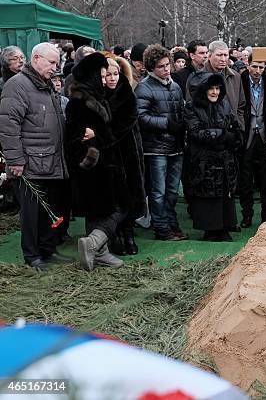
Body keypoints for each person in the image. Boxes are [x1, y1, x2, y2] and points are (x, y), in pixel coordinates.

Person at [0, 42, 70, 270]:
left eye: (57, 63)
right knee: (31, 213)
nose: (55, 68)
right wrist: (16, 160)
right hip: (29, 163)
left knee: (49, 209)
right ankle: (32, 256)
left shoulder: (46, 84)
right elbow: (8, 126)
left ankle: (47, 249)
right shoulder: (17, 85)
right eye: (52, 62)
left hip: (50, 159)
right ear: (36, 58)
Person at [64, 52, 133, 270]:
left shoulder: (92, 97)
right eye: (102, 76)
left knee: (100, 210)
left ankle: (98, 251)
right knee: (119, 207)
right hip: (95, 166)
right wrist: (93, 143)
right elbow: (79, 136)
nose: (105, 81)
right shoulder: (81, 102)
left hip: (101, 164)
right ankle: (95, 243)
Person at [135, 44, 188, 241]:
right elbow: (140, 117)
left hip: (175, 146)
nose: (166, 69)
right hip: (156, 148)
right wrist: (166, 124)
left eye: (168, 65)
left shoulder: (174, 86)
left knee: (173, 191)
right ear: (151, 68)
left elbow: (181, 112)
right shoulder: (144, 87)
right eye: (161, 66)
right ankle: (161, 227)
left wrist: (184, 123)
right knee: (158, 192)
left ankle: (171, 223)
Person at [184, 73, 242, 241]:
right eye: (211, 88)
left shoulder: (224, 104)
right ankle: (210, 229)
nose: (215, 92)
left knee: (225, 193)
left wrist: (229, 137)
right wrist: (222, 134)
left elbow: (234, 127)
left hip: (224, 158)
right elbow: (195, 132)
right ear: (204, 90)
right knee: (207, 195)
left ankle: (225, 226)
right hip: (203, 160)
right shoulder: (191, 106)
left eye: (217, 88)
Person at [104, 55, 147, 255]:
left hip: (129, 152)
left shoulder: (128, 95)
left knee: (130, 193)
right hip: (110, 155)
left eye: (115, 74)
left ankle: (128, 234)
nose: (112, 78)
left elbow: (131, 123)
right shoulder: (98, 96)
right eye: (108, 75)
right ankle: (115, 237)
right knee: (113, 198)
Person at [237, 57, 266, 228]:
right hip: (246, 136)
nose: (257, 71)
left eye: (261, 67)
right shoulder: (239, 82)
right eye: (254, 66)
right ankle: (246, 214)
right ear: (248, 65)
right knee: (245, 180)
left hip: (264, 135)